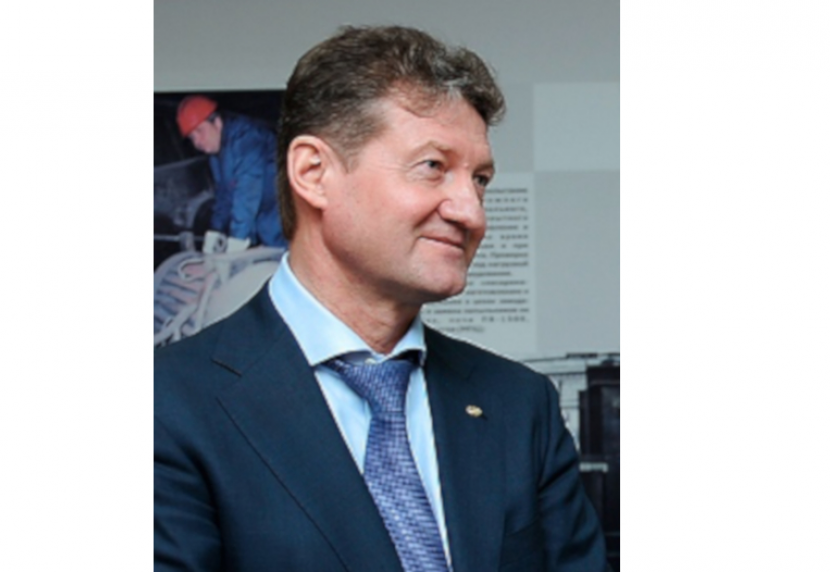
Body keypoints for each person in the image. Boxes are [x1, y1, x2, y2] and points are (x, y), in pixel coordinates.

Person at [155, 25, 609, 571]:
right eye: (433, 167)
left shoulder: (520, 405)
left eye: (480, 180)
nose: (472, 212)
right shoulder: (167, 405)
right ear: (314, 173)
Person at [176, 95, 287, 252]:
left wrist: (238, 239)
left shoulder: (248, 139)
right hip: (263, 220)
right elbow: (224, 196)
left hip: (284, 216)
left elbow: (247, 193)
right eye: (192, 137)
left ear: (217, 123)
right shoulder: (217, 153)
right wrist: (215, 230)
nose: (197, 142)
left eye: (200, 131)